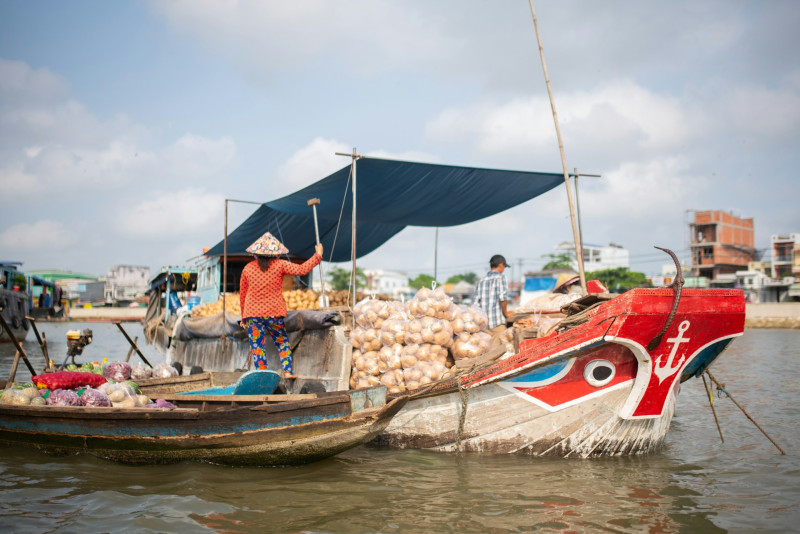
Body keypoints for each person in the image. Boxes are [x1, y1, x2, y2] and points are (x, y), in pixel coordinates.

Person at [239, 232, 323, 379]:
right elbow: (301, 270)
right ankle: (288, 372)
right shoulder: (280, 265)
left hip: (252, 313)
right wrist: (317, 256)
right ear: (276, 254)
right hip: (274, 312)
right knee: (282, 341)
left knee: (257, 347)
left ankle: (261, 375)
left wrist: (243, 317)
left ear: (255, 254)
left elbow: (243, 294)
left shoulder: (248, 268)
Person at [473, 254, 509, 335]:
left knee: (488, 347)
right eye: (504, 267)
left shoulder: (481, 281)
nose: (504, 269)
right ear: (501, 265)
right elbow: (503, 297)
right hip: (497, 324)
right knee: (501, 346)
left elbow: (475, 304)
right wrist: (506, 313)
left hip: (483, 326)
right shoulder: (501, 278)